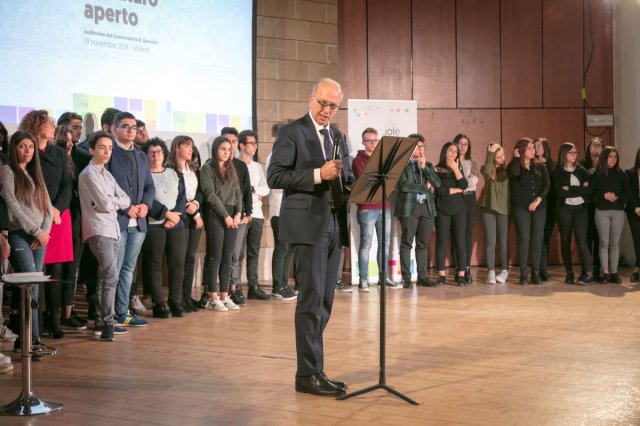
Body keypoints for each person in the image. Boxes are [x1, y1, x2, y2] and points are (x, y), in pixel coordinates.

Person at [267, 77, 354, 397]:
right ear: (311, 99)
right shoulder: (292, 132)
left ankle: (314, 369)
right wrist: (318, 174)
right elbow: (275, 175)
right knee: (310, 301)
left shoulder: (338, 136)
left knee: (325, 302)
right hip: (308, 225)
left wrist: (356, 184)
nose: (327, 110)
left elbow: (346, 176)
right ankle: (307, 374)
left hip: (334, 224)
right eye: (323, 103)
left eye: (334, 106)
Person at [19, 110, 74, 340]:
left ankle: (54, 318)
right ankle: (36, 322)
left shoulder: (58, 152)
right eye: (48, 122)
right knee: (35, 270)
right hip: (35, 216)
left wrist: (57, 208)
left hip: (58, 216)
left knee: (56, 268)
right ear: (36, 125)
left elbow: (66, 185)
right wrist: (46, 210)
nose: (53, 125)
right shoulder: (28, 152)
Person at [1, 131, 53, 355]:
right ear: (14, 148)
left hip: (39, 238)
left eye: (30, 147)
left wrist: (44, 232)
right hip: (19, 235)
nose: (27, 151)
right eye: (22, 146)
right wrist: (35, 231)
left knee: (35, 288)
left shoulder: (34, 173)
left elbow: (48, 207)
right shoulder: (8, 171)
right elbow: (12, 205)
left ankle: (29, 339)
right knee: (29, 286)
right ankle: (31, 339)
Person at [78, 131, 130, 341]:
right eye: (102, 147)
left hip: (113, 228)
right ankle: (108, 323)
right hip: (99, 229)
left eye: (110, 148)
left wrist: (111, 201)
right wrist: (110, 202)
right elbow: (104, 204)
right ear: (92, 150)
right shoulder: (88, 173)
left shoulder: (107, 174)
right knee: (111, 275)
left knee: (105, 276)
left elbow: (126, 199)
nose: (107, 151)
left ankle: (100, 320)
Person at [106, 111, 154, 327]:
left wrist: (145, 205)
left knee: (128, 270)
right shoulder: (110, 152)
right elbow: (105, 188)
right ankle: (108, 316)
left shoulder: (141, 156)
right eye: (125, 126)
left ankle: (122, 311)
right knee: (114, 270)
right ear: (114, 128)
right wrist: (126, 207)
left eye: (133, 127)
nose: (131, 130)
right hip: (118, 220)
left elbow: (149, 187)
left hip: (139, 223)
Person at [140, 138, 187, 318]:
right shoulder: (143, 175)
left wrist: (175, 216)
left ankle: (176, 302)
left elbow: (182, 197)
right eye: (151, 152)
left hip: (176, 224)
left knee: (177, 263)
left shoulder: (174, 173)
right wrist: (166, 214)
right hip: (154, 224)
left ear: (164, 154)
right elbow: (146, 199)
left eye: (159, 152)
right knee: (154, 264)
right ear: (146, 155)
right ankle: (159, 304)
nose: (155, 155)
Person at [200, 136, 242, 312]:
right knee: (215, 257)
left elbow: (238, 192)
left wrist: (239, 213)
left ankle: (225, 296)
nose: (226, 152)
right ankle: (212, 298)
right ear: (215, 149)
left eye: (229, 149)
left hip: (232, 214)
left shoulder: (231, 168)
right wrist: (225, 216)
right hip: (216, 214)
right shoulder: (207, 168)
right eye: (222, 149)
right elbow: (210, 194)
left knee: (227, 257)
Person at [394, 133, 441, 288]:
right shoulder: (401, 165)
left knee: (422, 243)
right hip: (409, 209)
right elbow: (404, 186)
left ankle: (422, 277)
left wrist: (424, 168)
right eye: (417, 146)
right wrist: (424, 188)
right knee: (407, 242)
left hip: (427, 209)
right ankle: (406, 278)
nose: (421, 149)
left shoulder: (428, 166)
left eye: (422, 146)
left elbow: (437, 183)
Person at [352, 127, 392, 291]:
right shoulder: (358, 160)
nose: (373, 143)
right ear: (363, 142)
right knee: (366, 244)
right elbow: (368, 180)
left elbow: (390, 179)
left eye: (376, 140)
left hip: (384, 206)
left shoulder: (383, 159)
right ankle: (363, 279)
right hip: (367, 208)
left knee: (385, 244)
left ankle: (384, 277)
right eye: (370, 141)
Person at [168, 135, 204, 312]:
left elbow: (200, 192)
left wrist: (196, 204)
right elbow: (173, 195)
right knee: (179, 260)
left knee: (190, 257)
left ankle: (187, 296)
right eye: (187, 146)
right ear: (177, 148)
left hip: (193, 215)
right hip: (180, 216)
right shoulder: (170, 170)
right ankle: (177, 299)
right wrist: (194, 212)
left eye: (191, 146)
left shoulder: (193, 169)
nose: (191, 149)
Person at [508, 138, 550, 284]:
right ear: (521, 150)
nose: (534, 150)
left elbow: (547, 185)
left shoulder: (540, 166)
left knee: (537, 239)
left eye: (534, 148)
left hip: (539, 207)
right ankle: (523, 274)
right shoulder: (514, 166)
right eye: (530, 148)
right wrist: (516, 159)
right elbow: (513, 174)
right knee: (524, 239)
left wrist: (537, 200)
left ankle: (535, 273)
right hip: (521, 207)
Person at [551, 143, 593, 285]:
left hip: (581, 208)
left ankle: (588, 273)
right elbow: (559, 192)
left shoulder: (582, 171)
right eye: (571, 153)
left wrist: (570, 188)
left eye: (575, 153)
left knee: (581, 239)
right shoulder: (557, 172)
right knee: (565, 239)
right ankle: (569, 272)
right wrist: (580, 189)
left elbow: (588, 190)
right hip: (564, 208)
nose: (574, 155)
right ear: (564, 154)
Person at [237, 130, 271, 300]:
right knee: (238, 253)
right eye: (251, 143)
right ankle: (235, 287)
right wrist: (254, 193)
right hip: (242, 214)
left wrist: (253, 189)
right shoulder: (235, 165)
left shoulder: (257, 166)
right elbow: (239, 191)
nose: (255, 146)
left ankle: (253, 286)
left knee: (254, 252)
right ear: (242, 145)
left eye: (255, 143)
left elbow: (266, 189)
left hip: (257, 214)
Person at [590, 146, 630, 284]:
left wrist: (618, 198)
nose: (613, 159)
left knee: (614, 243)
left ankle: (614, 272)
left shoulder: (621, 174)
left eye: (615, 157)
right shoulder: (597, 174)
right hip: (602, 211)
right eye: (610, 156)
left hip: (617, 211)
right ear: (604, 158)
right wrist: (604, 195)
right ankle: (605, 272)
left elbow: (627, 193)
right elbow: (592, 195)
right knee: (604, 242)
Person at [266, 122, 297, 300]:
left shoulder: (289, 155)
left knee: (288, 248)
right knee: (282, 247)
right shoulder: (273, 157)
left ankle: (284, 284)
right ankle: (278, 286)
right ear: (274, 138)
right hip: (278, 210)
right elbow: (274, 183)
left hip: (290, 209)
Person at [435, 142, 468, 286]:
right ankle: (441, 275)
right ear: (445, 152)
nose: (454, 153)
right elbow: (441, 191)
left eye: (456, 151)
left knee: (460, 242)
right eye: (451, 150)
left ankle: (461, 274)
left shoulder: (458, 168)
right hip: (443, 209)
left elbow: (464, 185)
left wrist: (455, 169)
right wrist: (457, 190)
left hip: (459, 209)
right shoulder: (436, 169)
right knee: (441, 242)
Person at [480, 142, 509, 284]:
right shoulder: (487, 170)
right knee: (491, 241)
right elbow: (486, 170)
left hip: (504, 210)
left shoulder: (508, 171)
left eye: (503, 155)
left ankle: (504, 271)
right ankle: (490, 272)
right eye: (498, 157)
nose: (502, 159)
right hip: (488, 209)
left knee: (503, 242)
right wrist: (490, 152)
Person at [452, 133, 478, 284]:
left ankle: (466, 267)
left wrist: (460, 185)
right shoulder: (450, 162)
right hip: (456, 199)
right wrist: (460, 184)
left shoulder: (473, 163)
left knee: (467, 234)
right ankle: (458, 267)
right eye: (460, 143)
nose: (463, 147)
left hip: (469, 199)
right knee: (457, 234)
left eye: (466, 144)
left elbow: (473, 182)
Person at [581, 137, 604, 281]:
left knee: (599, 238)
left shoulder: (605, 166)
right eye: (593, 145)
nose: (596, 147)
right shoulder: (582, 165)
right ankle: (586, 269)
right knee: (587, 238)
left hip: (601, 206)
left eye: (599, 145)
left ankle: (598, 269)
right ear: (588, 148)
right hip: (586, 206)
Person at [534, 137, 555, 281]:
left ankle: (543, 269)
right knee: (537, 238)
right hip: (536, 204)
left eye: (539, 145)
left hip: (550, 204)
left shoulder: (552, 165)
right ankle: (539, 269)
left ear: (545, 147)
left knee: (545, 238)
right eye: (534, 146)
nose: (536, 148)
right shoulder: (531, 164)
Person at [625, 147, 640, 283]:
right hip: (634, 210)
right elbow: (629, 192)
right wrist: (636, 207)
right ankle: (637, 269)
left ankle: (637, 268)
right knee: (638, 240)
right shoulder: (629, 173)